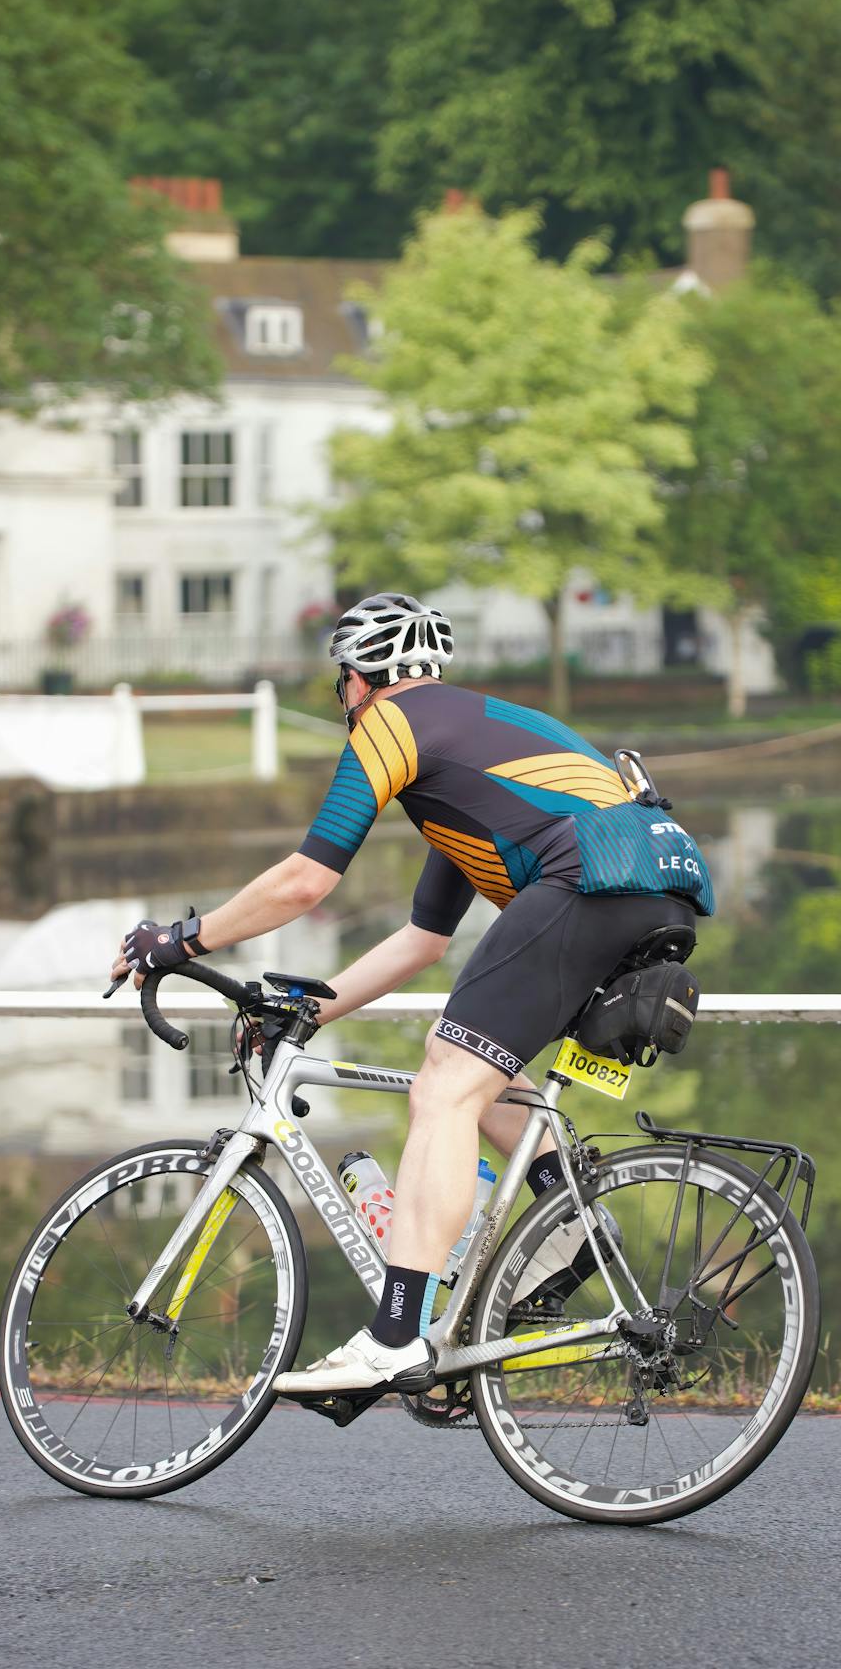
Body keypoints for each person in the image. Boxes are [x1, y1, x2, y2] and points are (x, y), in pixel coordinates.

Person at [111, 593, 713, 1397]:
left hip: (592, 878)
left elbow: (305, 880)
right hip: (653, 884)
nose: (344, 701)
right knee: (480, 1067)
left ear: (360, 681)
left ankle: (394, 1335)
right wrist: (309, 1012)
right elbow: (422, 940)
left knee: (442, 1081)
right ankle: (568, 1218)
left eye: (341, 685)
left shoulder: (395, 726)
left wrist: (180, 940)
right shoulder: (467, 766)